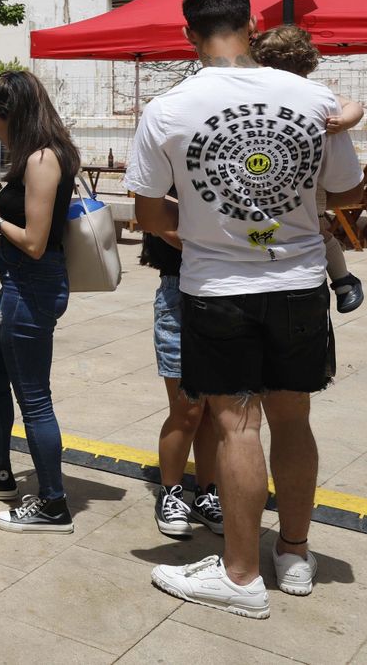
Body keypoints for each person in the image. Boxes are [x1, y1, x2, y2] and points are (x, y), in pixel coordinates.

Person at [128, 0, 361, 618]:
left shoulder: (169, 109)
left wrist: (206, 232)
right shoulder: (314, 98)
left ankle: (239, 574)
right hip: (300, 283)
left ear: (187, 34)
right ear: (253, 24)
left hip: (217, 289)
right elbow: (344, 193)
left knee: (236, 425)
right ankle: (294, 554)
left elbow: (147, 213)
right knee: (293, 419)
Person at [0, 70, 80, 533]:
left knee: (34, 399)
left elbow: (34, 241)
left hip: (32, 286)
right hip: (17, 286)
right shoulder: (34, 156)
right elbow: (26, 202)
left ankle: (53, 503)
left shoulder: (44, 158)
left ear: (14, 116)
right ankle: (0, 471)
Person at [250, 25, 367, 313]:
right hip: (268, 178)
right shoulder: (254, 95)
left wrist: (344, 122)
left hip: (302, 186)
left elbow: (353, 106)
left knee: (317, 230)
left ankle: (343, 279)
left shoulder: (315, 95)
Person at [142, 226, 222, 539]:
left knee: (214, 412)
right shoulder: (166, 180)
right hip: (179, 294)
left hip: (225, 292)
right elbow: (159, 225)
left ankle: (207, 494)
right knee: (187, 409)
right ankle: (171, 493)